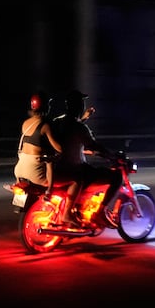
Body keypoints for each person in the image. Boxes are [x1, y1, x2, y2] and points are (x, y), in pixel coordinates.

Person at [50, 89, 120, 224]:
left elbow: (71, 128)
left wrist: (84, 118)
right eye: (82, 103)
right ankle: (99, 213)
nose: (83, 106)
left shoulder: (57, 122)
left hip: (57, 169)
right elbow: (93, 145)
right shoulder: (80, 128)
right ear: (79, 107)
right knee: (116, 177)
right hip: (75, 169)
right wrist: (111, 156)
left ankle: (80, 207)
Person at [14, 90, 63, 191]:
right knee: (72, 181)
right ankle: (49, 191)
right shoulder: (45, 125)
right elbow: (59, 148)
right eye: (48, 104)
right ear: (45, 107)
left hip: (19, 170)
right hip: (35, 174)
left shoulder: (25, 123)